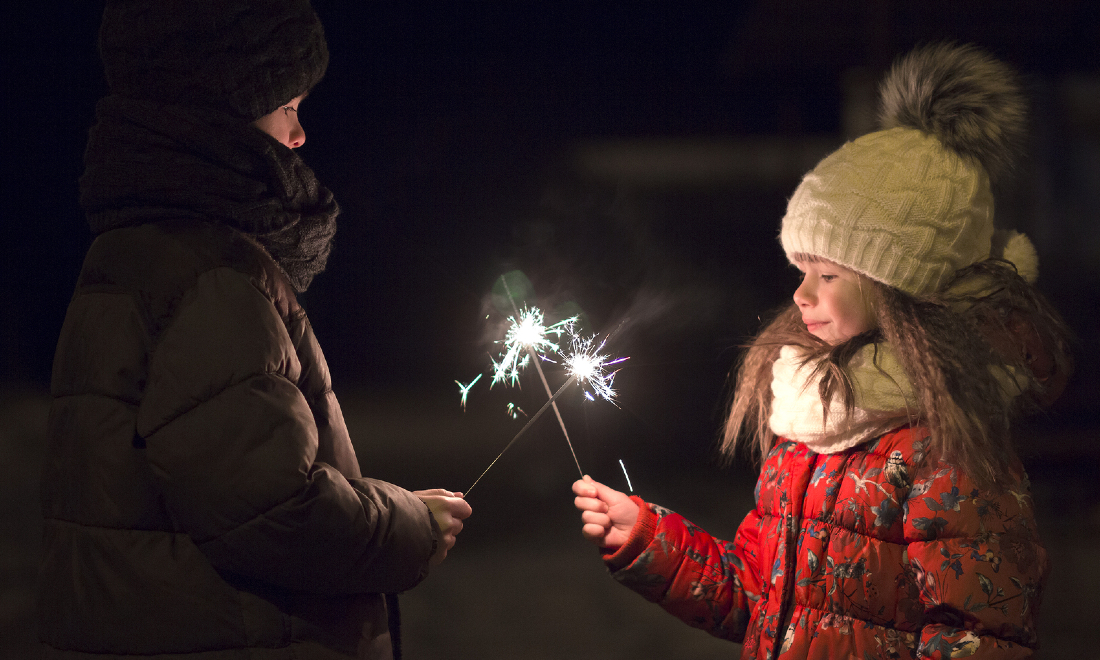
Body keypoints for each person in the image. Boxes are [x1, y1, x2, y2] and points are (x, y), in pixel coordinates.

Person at [573, 43, 1072, 659]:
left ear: (901, 285)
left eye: (828, 275)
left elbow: (980, 636)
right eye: (801, 268)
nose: (801, 294)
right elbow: (763, 601)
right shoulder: (812, 416)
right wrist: (649, 538)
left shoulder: (944, 446)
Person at [38, 1, 471, 659]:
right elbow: (270, 512)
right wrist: (409, 525)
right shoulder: (211, 273)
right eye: (288, 107)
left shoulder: (134, 250)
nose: (299, 136)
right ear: (226, 111)